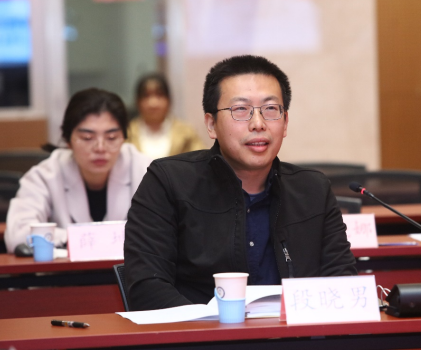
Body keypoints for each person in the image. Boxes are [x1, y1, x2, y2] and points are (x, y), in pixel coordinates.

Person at [124, 55, 357, 311]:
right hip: (201, 333)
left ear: (285, 122)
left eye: (271, 109)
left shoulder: (313, 190)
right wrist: (216, 326)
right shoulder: (168, 182)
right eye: (241, 110)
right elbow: (147, 288)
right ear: (211, 124)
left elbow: (342, 283)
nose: (258, 124)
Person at [4, 88, 152, 252]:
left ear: (124, 138)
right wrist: (82, 240)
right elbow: (18, 234)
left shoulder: (146, 171)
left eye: (111, 137)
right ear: (68, 140)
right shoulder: (45, 175)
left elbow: (163, 232)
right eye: (87, 138)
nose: (100, 148)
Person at [126, 73, 207, 158]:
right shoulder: (127, 133)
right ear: (137, 101)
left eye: (159, 95)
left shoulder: (186, 132)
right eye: (146, 96)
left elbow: (201, 159)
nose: (153, 103)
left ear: (169, 100)